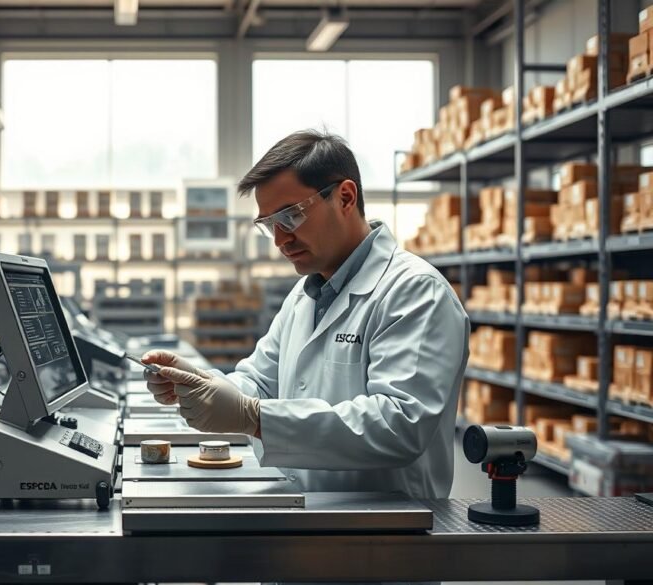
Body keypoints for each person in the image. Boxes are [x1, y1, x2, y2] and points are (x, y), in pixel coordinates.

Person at [142, 130, 469, 499]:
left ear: (345, 197)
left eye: (291, 216)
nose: (281, 240)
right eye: (269, 225)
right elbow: (260, 382)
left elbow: (400, 426)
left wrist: (254, 417)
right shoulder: (305, 294)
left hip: (385, 529)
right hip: (309, 513)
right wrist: (199, 383)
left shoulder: (415, 291)